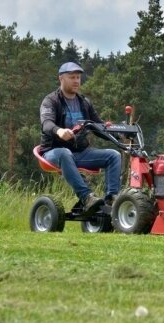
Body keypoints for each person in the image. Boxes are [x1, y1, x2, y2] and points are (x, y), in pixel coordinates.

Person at [39, 62, 121, 212]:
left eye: (78, 77)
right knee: (65, 153)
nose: (76, 81)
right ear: (61, 78)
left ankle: (112, 199)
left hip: (80, 152)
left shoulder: (84, 102)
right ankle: (87, 197)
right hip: (54, 151)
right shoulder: (51, 101)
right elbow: (46, 124)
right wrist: (59, 131)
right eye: (72, 77)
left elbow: (98, 126)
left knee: (114, 155)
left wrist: (118, 136)